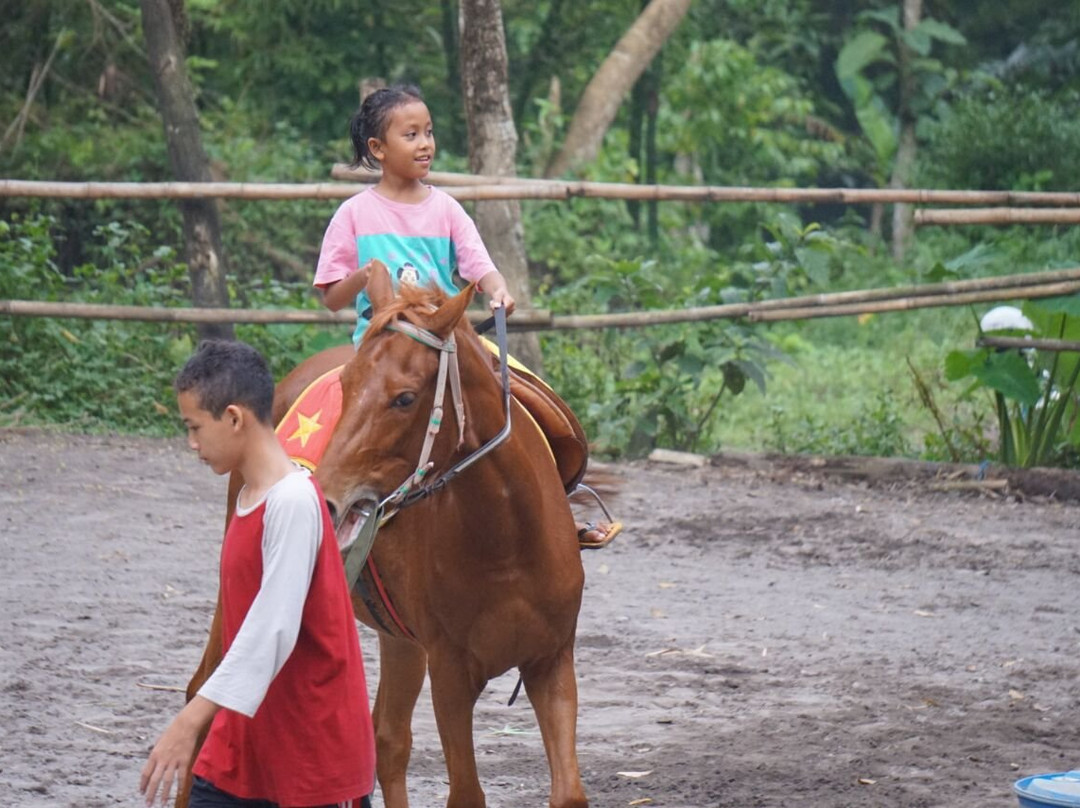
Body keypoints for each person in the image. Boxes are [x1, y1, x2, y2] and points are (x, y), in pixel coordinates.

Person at [140, 339, 375, 808]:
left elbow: (273, 628)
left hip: (312, 751)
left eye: (194, 428)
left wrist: (190, 721)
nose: (192, 444)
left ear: (233, 417)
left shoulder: (291, 502)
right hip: (248, 737)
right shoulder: (251, 497)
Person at [314, 83, 515, 345]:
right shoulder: (352, 213)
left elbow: (481, 267)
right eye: (411, 135)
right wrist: (365, 275)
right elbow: (332, 300)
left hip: (445, 342)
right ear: (377, 148)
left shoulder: (447, 209)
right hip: (379, 349)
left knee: (510, 382)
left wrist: (499, 290)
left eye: (428, 133)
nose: (425, 144)